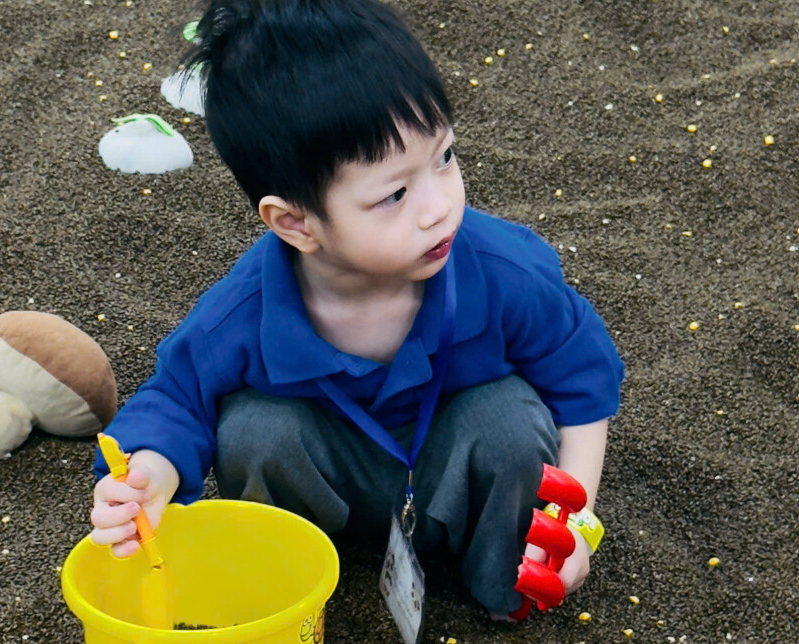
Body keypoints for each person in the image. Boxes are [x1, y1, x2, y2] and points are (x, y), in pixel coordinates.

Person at [89, 0, 624, 619]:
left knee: (508, 421)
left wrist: (577, 522)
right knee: (256, 432)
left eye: (444, 157)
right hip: (328, 490)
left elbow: (582, 376)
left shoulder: (501, 269)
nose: (438, 207)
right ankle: (291, 591)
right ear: (296, 223)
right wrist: (151, 473)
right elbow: (175, 398)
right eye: (394, 194)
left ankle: (509, 585)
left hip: (455, 475)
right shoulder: (245, 310)